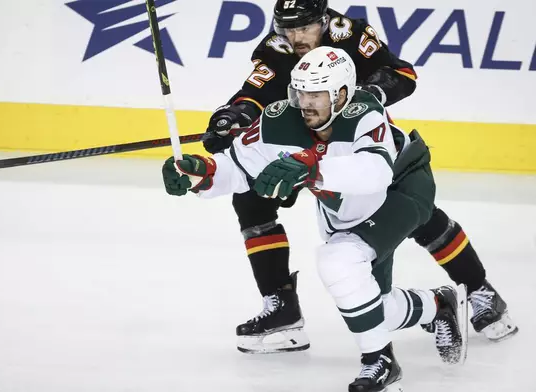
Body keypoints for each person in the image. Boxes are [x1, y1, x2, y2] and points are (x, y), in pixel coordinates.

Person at [200, 0, 516, 351]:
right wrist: (233, 115)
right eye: (287, 28)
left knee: (416, 215)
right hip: (306, 136)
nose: (294, 36)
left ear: (324, 19)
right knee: (250, 200)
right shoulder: (277, 48)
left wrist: (368, 95)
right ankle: (282, 309)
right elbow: (257, 93)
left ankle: (479, 289)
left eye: (303, 27)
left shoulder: (348, 34)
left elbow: (402, 74)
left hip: (360, 138)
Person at [163, 46, 468, 392]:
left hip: (401, 191)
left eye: (317, 93)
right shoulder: (282, 117)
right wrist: (201, 174)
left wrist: (311, 167)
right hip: (345, 208)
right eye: (300, 91)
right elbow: (239, 167)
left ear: (341, 94)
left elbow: (374, 171)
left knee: (338, 262)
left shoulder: (365, 112)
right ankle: (437, 304)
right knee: (372, 307)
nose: (306, 102)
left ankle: (381, 361)